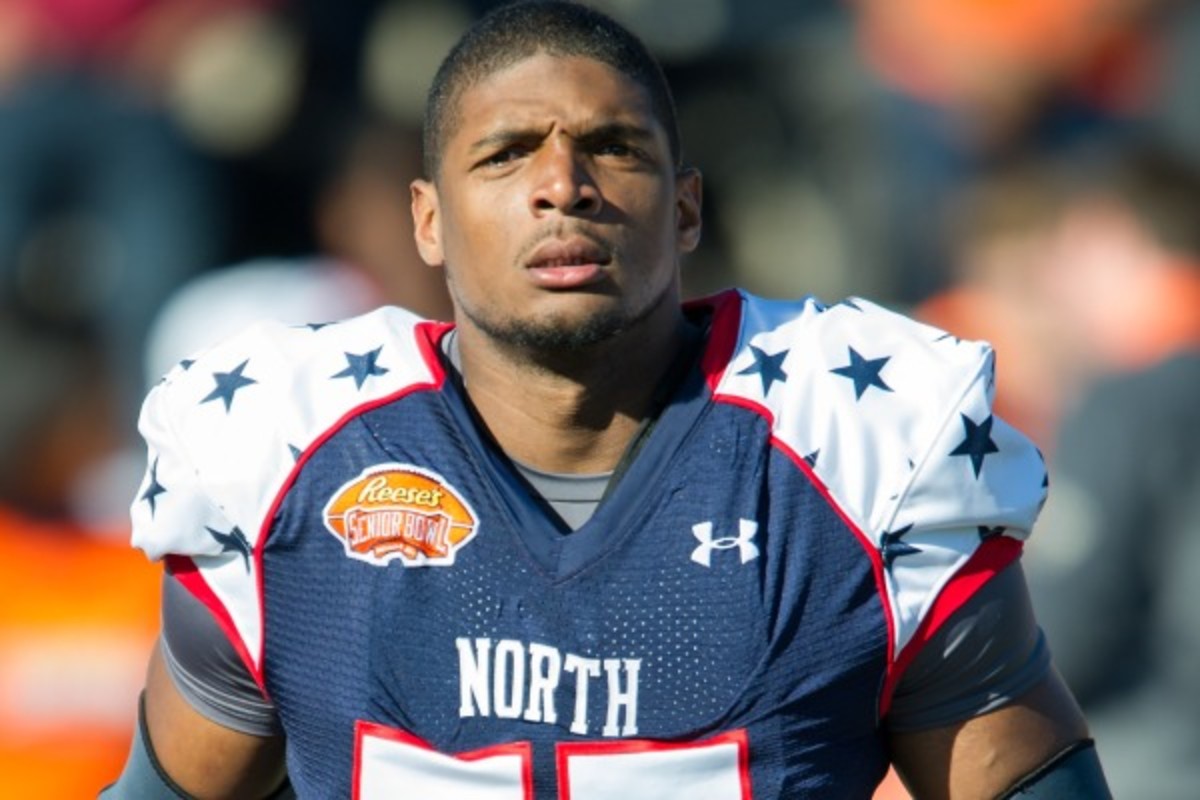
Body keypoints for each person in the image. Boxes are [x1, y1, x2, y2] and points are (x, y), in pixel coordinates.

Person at [103, 2, 1110, 797]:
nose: (563, 184)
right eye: (506, 154)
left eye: (613, 147)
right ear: (428, 220)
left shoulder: (849, 452)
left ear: (684, 208)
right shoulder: (288, 459)